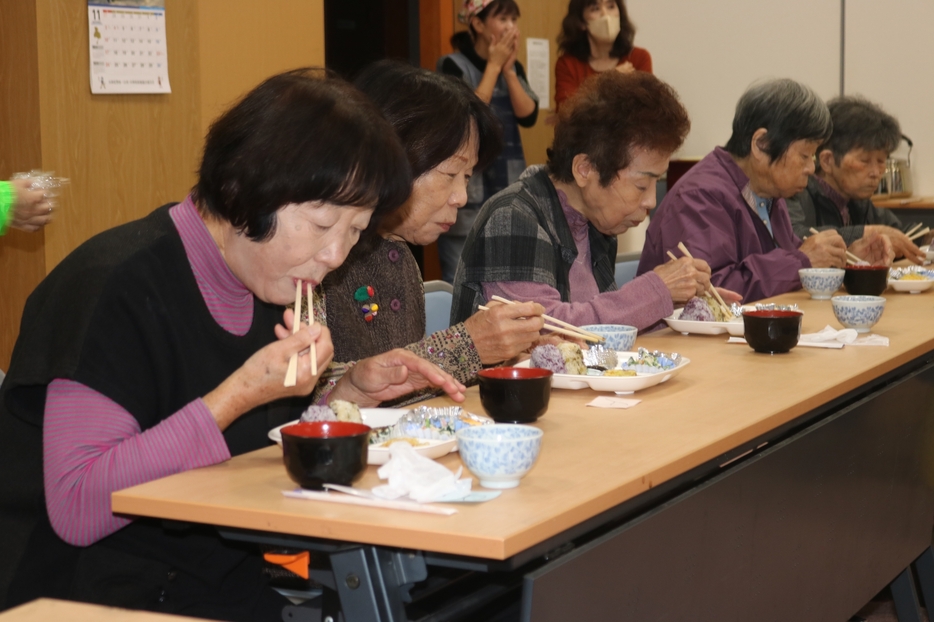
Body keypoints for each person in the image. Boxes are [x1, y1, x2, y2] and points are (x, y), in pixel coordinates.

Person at [0, 68, 466, 620]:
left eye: (355, 230)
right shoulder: (111, 286)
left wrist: (348, 393)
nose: (337, 255)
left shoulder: (273, 281)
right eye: (322, 226)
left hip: (218, 581)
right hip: (89, 594)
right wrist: (239, 394)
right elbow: (78, 506)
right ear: (243, 190)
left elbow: (247, 447)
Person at [316, 61, 545, 402]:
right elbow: (314, 392)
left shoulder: (400, 256)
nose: (462, 197)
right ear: (393, 154)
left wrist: (508, 352)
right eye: (451, 173)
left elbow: (406, 395)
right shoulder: (317, 254)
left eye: (467, 178)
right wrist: (467, 346)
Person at [451, 71, 736, 329]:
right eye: (641, 185)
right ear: (585, 169)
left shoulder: (595, 224)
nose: (651, 201)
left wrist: (676, 306)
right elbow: (546, 330)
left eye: (656, 184)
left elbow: (604, 329)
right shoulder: (513, 218)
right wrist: (656, 291)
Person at [637, 79, 894, 303]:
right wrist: (802, 262)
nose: (811, 167)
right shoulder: (700, 197)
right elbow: (712, 292)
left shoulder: (768, 192)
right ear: (761, 144)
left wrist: (846, 259)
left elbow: (786, 261)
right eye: (804, 155)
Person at [436, 0, 540, 283]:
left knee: (509, 276)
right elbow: (466, 115)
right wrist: (493, 66)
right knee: (461, 279)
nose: (511, 27)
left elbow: (529, 114)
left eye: (513, 20)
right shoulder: (452, 64)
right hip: (468, 190)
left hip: (509, 183)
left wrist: (507, 70)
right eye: (502, 19)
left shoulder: (514, 67)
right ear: (478, 24)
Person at [785, 96, 925, 264]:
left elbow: (900, 233)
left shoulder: (856, 200)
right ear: (828, 161)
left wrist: (927, 238)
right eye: (865, 161)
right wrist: (866, 233)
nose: (876, 172)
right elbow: (795, 236)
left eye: (881, 161)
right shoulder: (795, 191)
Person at [554, 0, 652, 112]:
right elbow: (566, 112)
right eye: (595, 9)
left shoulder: (639, 57)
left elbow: (646, 111)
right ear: (581, 23)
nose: (605, 15)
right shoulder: (568, 63)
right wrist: (609, 80)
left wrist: (589, 99)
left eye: (611, 6)